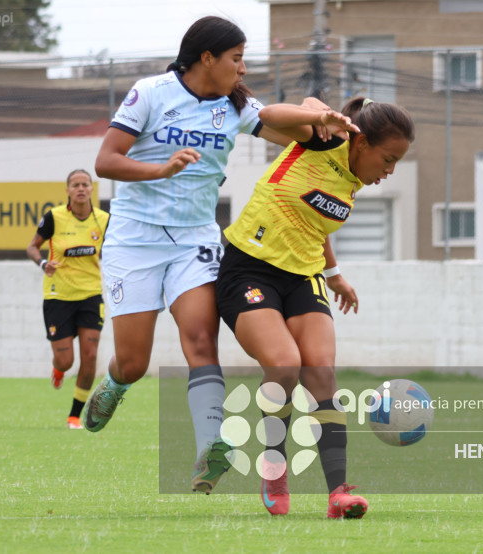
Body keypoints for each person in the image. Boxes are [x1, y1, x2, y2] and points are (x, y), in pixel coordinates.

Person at [84, 16, 316, 492]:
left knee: (200, 341)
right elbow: (105, 161)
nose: (243, 68)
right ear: (206, 58)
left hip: (196, 240)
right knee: (134, 361)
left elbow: (290, 131)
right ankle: (116, 383)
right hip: (134, 240)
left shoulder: (237, 107)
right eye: (236, 58)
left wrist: (317, 115)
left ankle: (210, 448)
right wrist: (160, 169)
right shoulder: (150, 92)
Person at [216, 96, 414, 518]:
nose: (390, 170)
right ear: (361, 143)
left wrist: (335, 273)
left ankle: (338, 493)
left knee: (320, 372)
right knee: (286, 366)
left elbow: (311, 218)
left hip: (303, 277)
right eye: (389, 158)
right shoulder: (320, 139)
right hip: (249, 269)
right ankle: (274, 466)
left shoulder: (355, 179)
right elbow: (268, 115)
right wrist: (319, 117)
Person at [26, 169, 110, 429]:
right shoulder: (54, 217)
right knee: (66, 360)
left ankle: (75, 416)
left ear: (92, 189)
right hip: (58, 296)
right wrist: (43, 264)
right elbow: (32, 246)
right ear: (68, 190)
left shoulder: (105, 220)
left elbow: (119, 249)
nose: (81, 189)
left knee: (90, 356)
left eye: (85, 184)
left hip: (90, 296)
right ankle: (59, 370)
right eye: (76, 185)